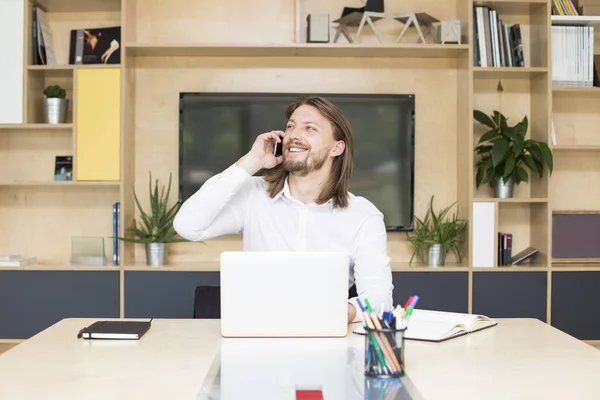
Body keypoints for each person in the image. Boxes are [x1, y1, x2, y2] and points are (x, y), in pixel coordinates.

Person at [173, 95, 393, 323]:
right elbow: (187, 226)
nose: (294, 135)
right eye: (290, 126)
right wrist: (251, 161)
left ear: (336, 148)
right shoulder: (253, 195)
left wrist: (341, 313)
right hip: (257, 334)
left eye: (310, 128)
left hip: (325, 336)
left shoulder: (363, 216)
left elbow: (380, 297)